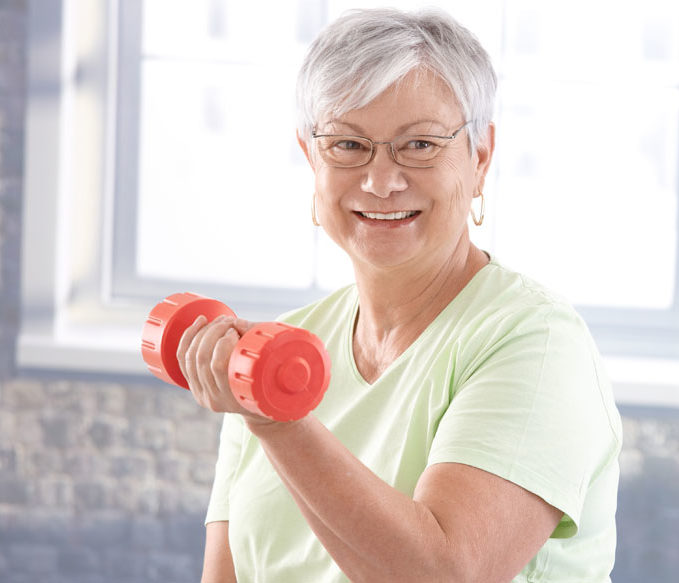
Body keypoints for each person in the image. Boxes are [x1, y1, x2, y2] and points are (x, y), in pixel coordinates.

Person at [177, 9, 621, 582]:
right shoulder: (280, 348)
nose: (381, 180)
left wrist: (279, 421)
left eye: (419, 144)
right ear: (311, 157)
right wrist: (266, 408)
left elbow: (446, 573)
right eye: (347, 144)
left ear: (480, 158)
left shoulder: (535, 344)